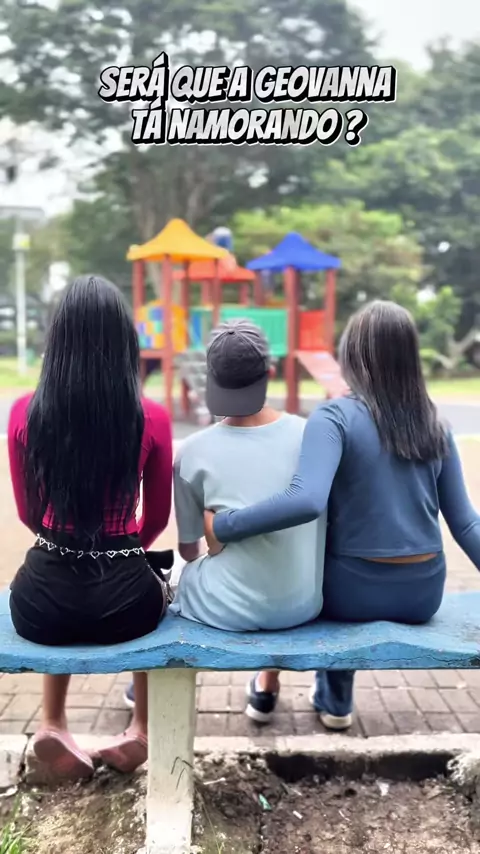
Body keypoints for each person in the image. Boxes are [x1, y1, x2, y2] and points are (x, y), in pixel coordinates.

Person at [205, 300, 480, 729]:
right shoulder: (435, 424)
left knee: (301, 574)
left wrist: (224, 526)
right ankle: (334, 701)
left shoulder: (334, 416)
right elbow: (465, 523)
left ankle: (267, 681)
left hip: (350, 594)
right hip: (422, 594)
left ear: (351, 354)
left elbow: (306, 500)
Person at [7, 275, 173, 778]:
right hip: (127, 608)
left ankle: (53, 723)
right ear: (125, 344)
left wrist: (68, 543)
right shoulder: (151, 417)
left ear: (57, 341)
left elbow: (28, 514)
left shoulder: (24, 413)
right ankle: (141, 728)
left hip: (38, 608)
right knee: (157, 582)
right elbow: (157, 518)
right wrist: (123, 550)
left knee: (54, 581)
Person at [170, 319, 326, 722]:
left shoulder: (191, 452)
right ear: (270, 373)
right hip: (301, 604)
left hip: (226, 610)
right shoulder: (311, 437)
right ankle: (267, 682)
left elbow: (189, 550)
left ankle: (143, 687)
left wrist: (216, 534)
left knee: (173, 580)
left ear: (210, 378)